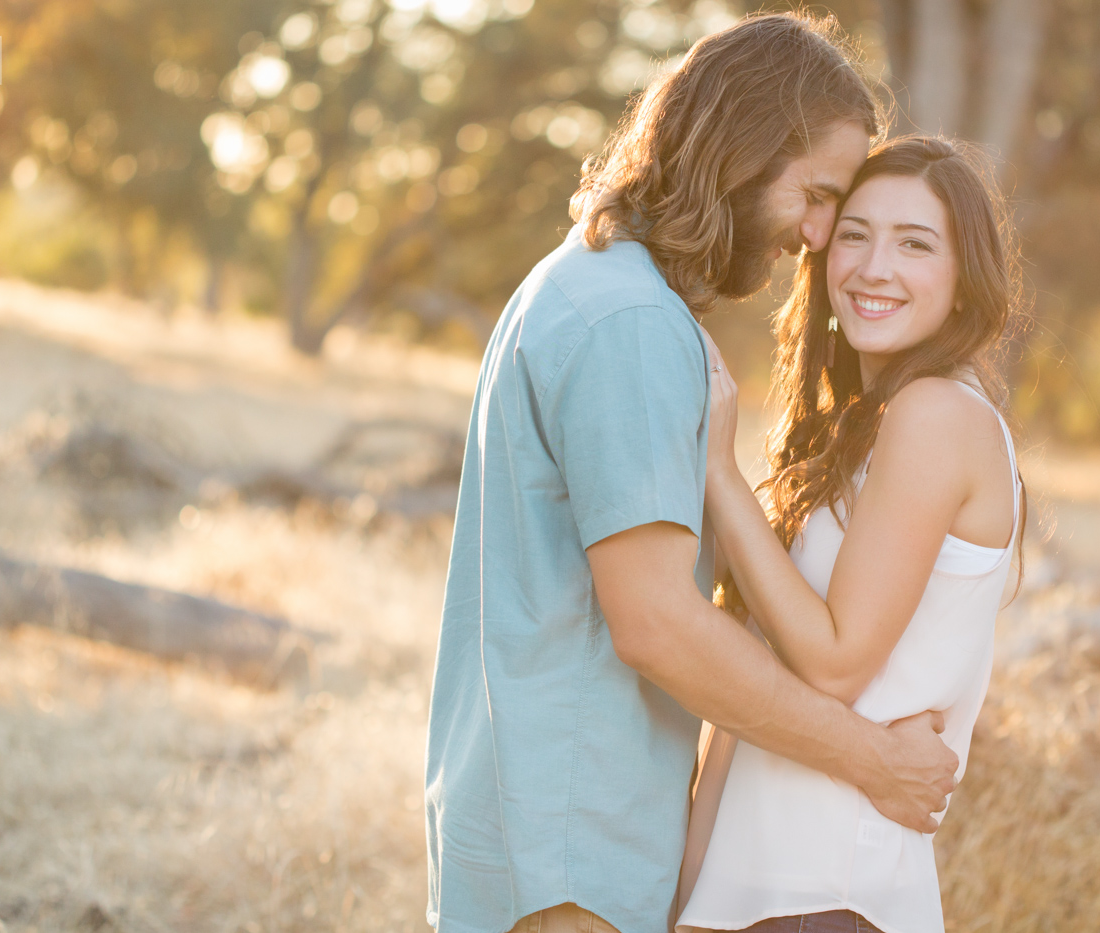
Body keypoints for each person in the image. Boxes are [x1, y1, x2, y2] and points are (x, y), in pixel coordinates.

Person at [424, 15, 959, 933]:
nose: (821, 236)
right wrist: (870, 759)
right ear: (747, 147)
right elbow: (659, 625)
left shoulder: (579, 280)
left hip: (541, 830)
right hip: (572, 855)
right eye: (820, 195)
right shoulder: (633, 323)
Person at [677, 136, 1026, 933]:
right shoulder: (858, 431)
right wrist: (688, 892)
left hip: (826, 895)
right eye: (856, 232)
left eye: (914, 243)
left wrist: (720, 475)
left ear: (964, 278)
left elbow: (832, 665)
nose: (873, 266)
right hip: (758, 894)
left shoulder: (937, 415)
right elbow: (749, 705)